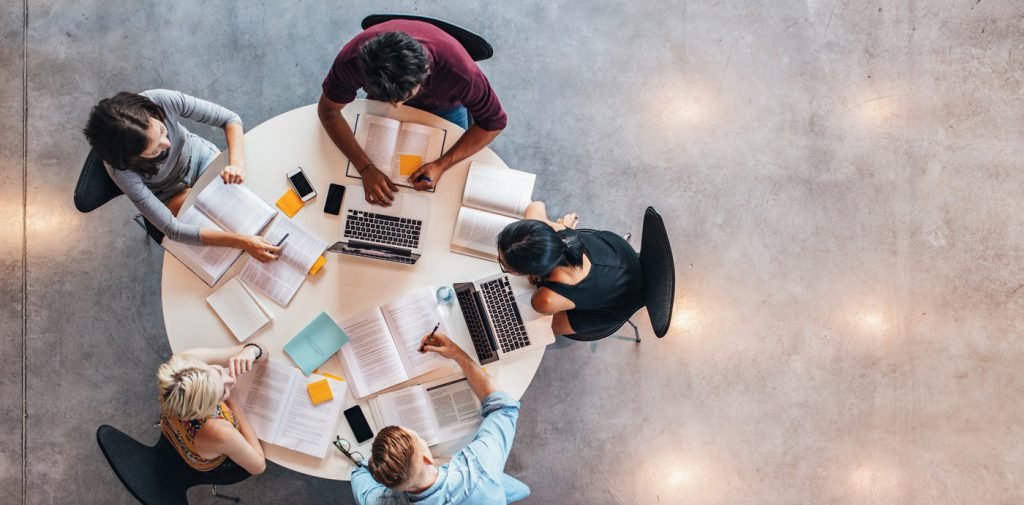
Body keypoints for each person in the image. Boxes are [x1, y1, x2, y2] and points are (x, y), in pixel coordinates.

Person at [350, 332, 529, 505]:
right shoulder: (479, 467)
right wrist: (457, 354)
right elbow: (504, 408)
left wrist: (369, 465)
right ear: (426, 456)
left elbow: (358, 478)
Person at [318, 20, 507, 206]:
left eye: (403, 97)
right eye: (390, 100)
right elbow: (328, 111)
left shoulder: (462, 74)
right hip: (383, 100)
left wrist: (441, 164)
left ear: (426, 71)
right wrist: (365, 168)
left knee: (448, 187)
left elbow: (494, 123)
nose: (397, 107)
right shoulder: (352, 59)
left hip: (445, 106)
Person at [81, 89, 280, 261]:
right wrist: (241, 242)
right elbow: (173, 229)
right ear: (131, 158)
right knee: (221, 229)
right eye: (154, 150)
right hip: (168, 193)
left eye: (162, 130)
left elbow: (230, 119)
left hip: (200, 158)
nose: (167, 144)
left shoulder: (160, 100)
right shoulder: (121, 170)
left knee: (250, 199)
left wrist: (236, 164)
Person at [497, 202, 645, 337]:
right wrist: (551, 226)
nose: (498, 259)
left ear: (531, 271)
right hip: (621, 255)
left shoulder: (544, 300)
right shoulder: (558, 232)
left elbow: (547, 319)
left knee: (540, 329)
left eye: (505, 266)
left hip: (621, 303)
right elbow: (535, 206)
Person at [157, 343, 267, 475]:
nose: (231, 380)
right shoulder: (220, 431)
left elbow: (261, 349)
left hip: (174, 427)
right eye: (223, 392)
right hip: (206, 460)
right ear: (208, 410)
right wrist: (233, 401)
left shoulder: (186, 362)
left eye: (218, 371)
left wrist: (252, 351)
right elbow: (259, 466)